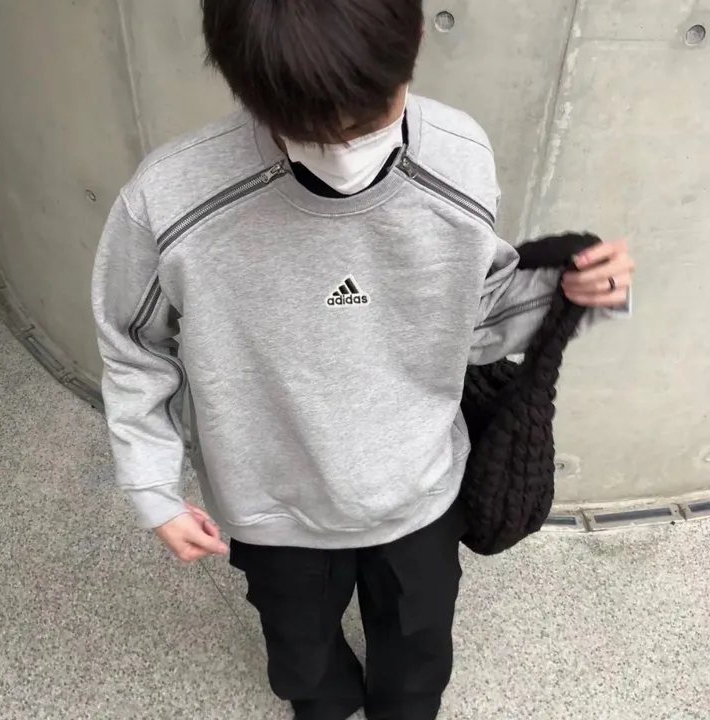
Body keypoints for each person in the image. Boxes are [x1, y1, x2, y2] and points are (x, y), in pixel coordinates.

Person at [91, 1, 635, 718]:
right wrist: (151, 483)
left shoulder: (458, 156)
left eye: (370, 116)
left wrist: (571, 293)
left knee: (417, 659)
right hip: (270, 506)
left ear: (415, 35)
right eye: (310, 129)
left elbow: (471, 320)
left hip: (419, 490)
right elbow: (134, 345)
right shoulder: (171, 198)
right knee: (304, 662)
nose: (346, 145)